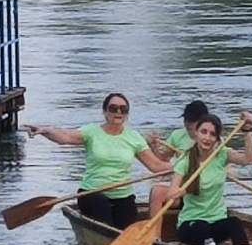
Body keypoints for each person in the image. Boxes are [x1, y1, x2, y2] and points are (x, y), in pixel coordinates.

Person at [25, 93, 171, 229]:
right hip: (91, 193)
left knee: (128, 227)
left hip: (122, 196)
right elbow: (65, 137)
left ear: (127, 114)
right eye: (113, 108)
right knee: (102, 208)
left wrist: (185, 167)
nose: (118, 112)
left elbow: (156, 166)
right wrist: (46, 131)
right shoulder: (91, 132)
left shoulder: (134, 138)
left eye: (123, 109)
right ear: (105, 112)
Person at [168, 111, 252, 245]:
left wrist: (247, 131)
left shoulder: (222, 154)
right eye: (204, 132)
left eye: (212, 134)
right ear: (196, 133)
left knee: (234, 223)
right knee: (201, 227)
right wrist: (180, 192)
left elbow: (249, 160)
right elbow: (171, 194)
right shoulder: (185, 160)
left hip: (216, 222)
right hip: (191, 224)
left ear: (217, 139)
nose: (207, 138)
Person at [149, 99, 210, 215]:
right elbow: (162, 159)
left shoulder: (212, 140)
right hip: (180, 191)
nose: (187, 123)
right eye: (186, 119)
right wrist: (153, 146)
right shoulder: (177, 135)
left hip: (204, 192)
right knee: (157, 193)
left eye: (192, 121)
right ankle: (153, 232)